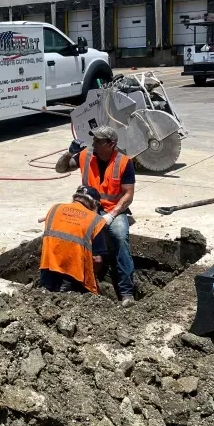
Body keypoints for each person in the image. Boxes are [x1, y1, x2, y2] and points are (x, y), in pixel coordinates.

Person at [55, 126, 136, 306]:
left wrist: (111, 215)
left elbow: (128, 195)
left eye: (99, 141)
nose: (94, 143)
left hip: (113, 210)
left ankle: (126, 292)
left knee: (121, 238)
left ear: (111, 144)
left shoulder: (124, 162)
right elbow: (60, 169)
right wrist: (69, 154)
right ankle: (68, 282)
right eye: (94, 140)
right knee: (71, 234)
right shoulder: (86, 155)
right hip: (88, 208)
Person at [40, 186, 107, 294]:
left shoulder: (55, 208)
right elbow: (97, 259)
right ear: (95, 204)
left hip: (48, 270)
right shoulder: (95, 220)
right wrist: (93, 275)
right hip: (73, 277)